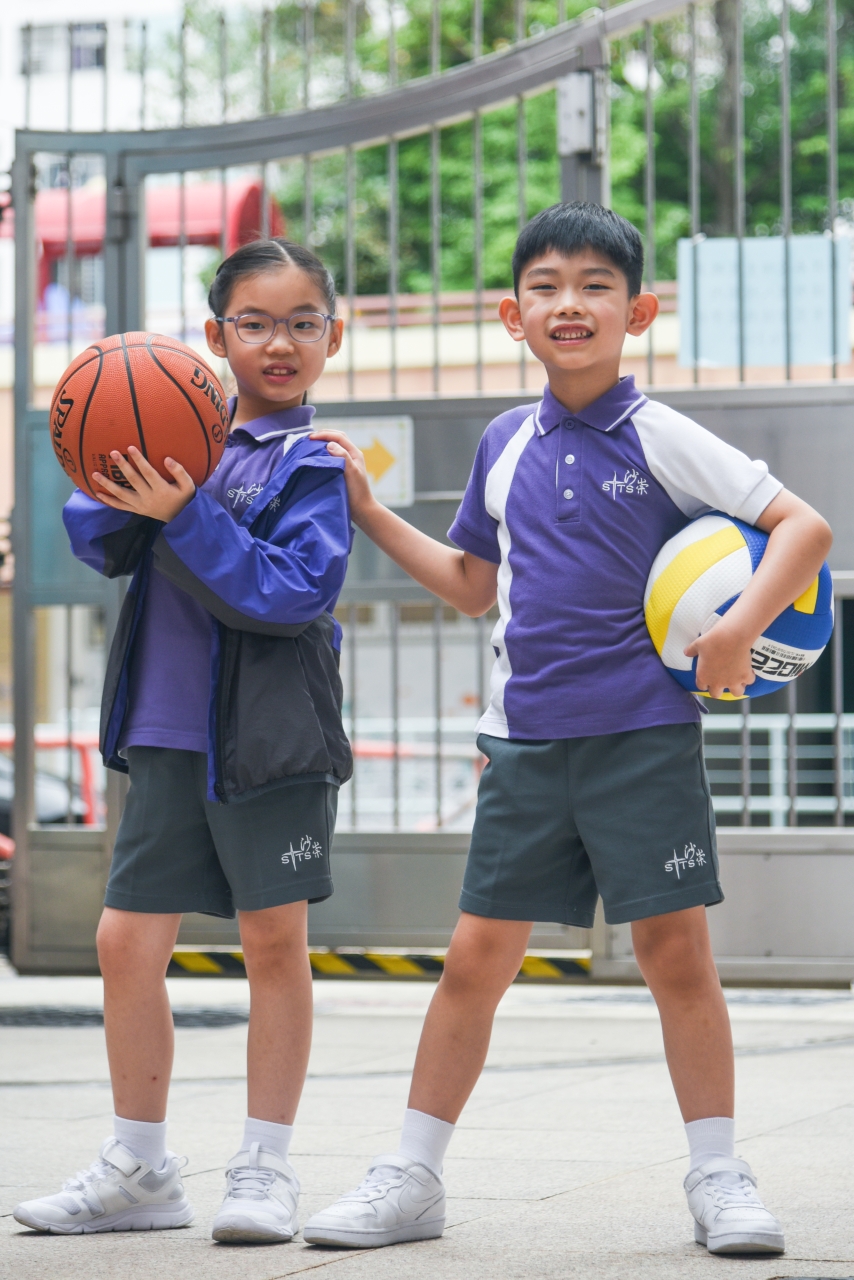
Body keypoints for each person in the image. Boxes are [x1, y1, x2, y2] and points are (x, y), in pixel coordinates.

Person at [302, 203, 832, 1257]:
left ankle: (719, 1173)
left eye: (595, 285)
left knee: (675, 957)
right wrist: (368, 510)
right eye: (545, 286)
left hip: (642, 740)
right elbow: (471, 584)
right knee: (471, 963)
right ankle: (412, 1175)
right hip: (527, 746)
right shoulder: (504, 442)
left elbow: (802, 528)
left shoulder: (661, 433)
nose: (569, 303)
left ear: (638, 312)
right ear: (513, 315)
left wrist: (736, 630)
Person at [14, 238, 352, 1244]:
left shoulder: (314, 466)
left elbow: (291, 593)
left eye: (301, 322)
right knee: (124, 943)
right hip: (164, 731)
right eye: (255, 322)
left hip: (269, 739)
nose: (279, 342)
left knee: (272, 943)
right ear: (216, 336)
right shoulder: (177, 435)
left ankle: (264, 1163)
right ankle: (140, 1166)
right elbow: (96, 535)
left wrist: (191, 512)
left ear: (332, 337)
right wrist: (128, 470)